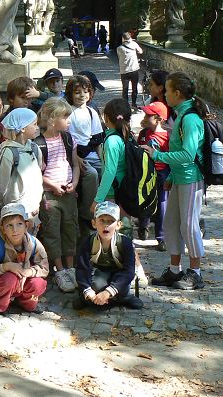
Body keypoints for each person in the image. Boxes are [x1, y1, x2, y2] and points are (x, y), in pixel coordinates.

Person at [142, 72, 207, 291]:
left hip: (191, 178)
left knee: (189, 225)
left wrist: (157, 155)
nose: (165, 94)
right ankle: (174, 269)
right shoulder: (181, 115)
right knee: (171, 223)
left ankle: (195, 273)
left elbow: (188, 154)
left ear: (177, 93)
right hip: (179, 178)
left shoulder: (190, 119)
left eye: (168, 90)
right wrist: (171, 176)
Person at [93, 97, 148, 285]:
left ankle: (135, 271)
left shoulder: (112, 141)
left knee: (121, 235)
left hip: (113, 195)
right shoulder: (127, 136)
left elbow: (109, 172)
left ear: (106, 118)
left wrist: (98, 199)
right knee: (123, 233)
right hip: (126, 192)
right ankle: (134, 271)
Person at [35, 97, 80, 293]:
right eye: (65, 117)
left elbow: (75, 164)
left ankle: (70, 267)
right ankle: (59, 269)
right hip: (50, 195)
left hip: (68, 192)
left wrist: (75, 183)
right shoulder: (39, 144)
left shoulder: (69, 139)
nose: (69, 121)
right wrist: (52, 185)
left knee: (70, 228)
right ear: (53, 119)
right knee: (52, 231)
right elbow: (36, 172)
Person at [0, 203, 49, 317]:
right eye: (9, 225)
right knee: (10, 279)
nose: (15, 230)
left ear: (26, 226)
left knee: (38, 283)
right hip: (3, 283)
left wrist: (28, 272)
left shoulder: (34, 243)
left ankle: (25, 302)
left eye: (19, 224)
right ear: (3, 229)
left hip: (24, 283)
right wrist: (6, 266)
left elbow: (45, 269)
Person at [73, 202, 143, 310]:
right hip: (100, 272)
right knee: (96, 286)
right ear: (94, 223)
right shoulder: (88, 242)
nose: (106, 225)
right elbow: (82, 269)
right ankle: (88, 299)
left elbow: (129, 271)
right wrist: (88, 291)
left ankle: (124, 298)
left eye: (110, 221)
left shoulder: (125, 243)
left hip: (119, 272)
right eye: (102, 220)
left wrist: (108, 292)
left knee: (122, 288)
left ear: (118, 225)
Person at [65, 75, 103, 240]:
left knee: (106, 172)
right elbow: (67, 140)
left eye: (85, 92)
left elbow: (97, 139)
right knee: (91, 174)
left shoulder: (91, 112)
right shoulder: (68, 112)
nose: (82, 95)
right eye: (77, 92)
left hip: (91, 152)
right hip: (76, 154)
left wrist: (104, 161)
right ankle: (88, 213)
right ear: (70, 94)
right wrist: (77, 159)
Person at [0, 108, 43, 224]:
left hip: (34, 209)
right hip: (15, 211)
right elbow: (0, 183)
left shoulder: (34, 148)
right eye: (34, 124)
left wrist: (37, 202)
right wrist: (3, 206)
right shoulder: (8, 152)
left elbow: (38, 176)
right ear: (22, 128)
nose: (37, 128)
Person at [136, 102, 170, 251]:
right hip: (146, 173)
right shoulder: (144, 134)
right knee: (145, 200)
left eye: (148, 115)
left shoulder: (168, 136)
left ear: (159, 119)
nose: (145, 117)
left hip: (162, 173)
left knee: (162, 204)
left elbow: (170, 156)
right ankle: (143, 225)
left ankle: (161, 237)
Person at [117, 32, 143, 110]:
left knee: (125, 89)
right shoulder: (134, 44)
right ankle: (134, 104)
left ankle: (125, 105)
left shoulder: (119, 48)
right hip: (134, 70)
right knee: (134, 88)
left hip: (124, 71)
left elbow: (119, 56)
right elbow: (141, 51)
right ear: (130, 37)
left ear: (123, 38)